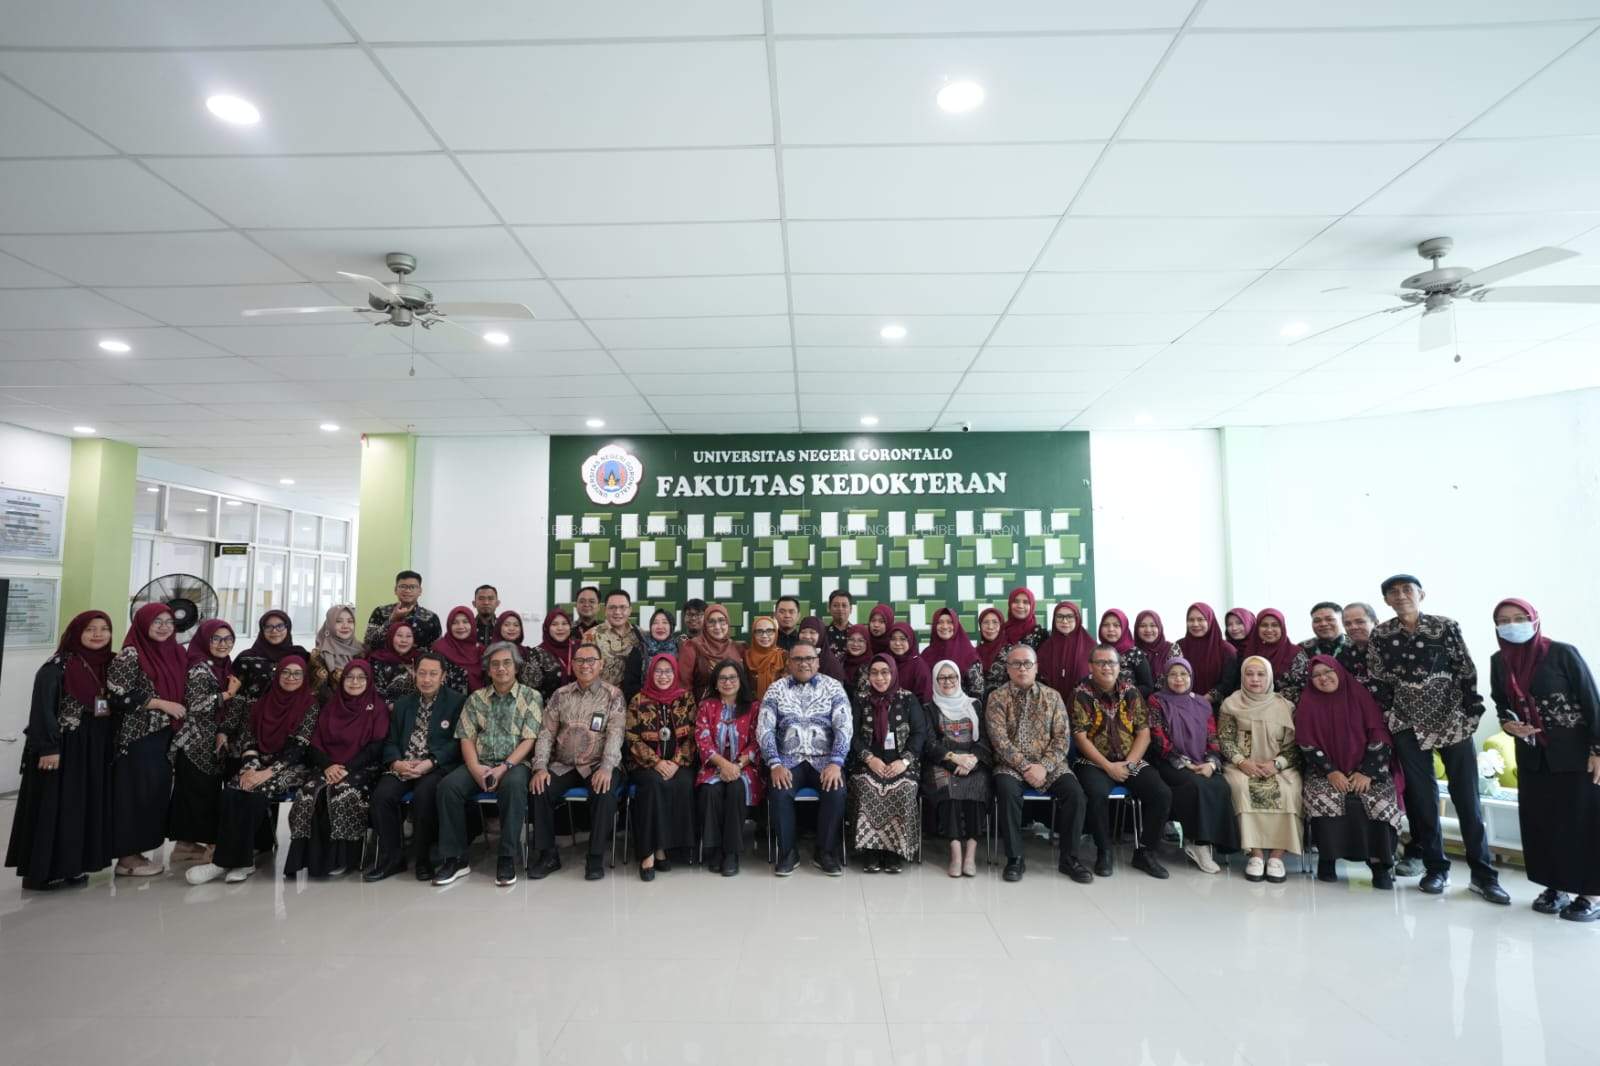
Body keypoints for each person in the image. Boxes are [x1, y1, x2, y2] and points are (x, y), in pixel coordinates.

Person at [1369, 574, 1509, 903]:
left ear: (1421, 594)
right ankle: (1436, 869)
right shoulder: (1381, 634)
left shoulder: (1445, 626)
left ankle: (1483, 875)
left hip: (1451, 721)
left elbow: (1465, 669)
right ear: (1386, 600)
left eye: (1407, 590)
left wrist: (1471, 714)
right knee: (1422, 800)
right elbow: (1378, 679)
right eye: (1393, 592)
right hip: (1407, 724)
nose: (1401, 596)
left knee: (1467, 800)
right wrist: (1390, 717)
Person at [1489, 598, 1600, 921]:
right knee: (1544, 824)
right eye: (1503, 621)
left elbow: (1592, 702)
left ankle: (1591, 894)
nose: (1512, 625)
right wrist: (1508, 724)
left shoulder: (1562, 653)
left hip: (1576, 756)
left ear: (1534, 619)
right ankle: (1556, 887)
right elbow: (1501, 704)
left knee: (1582, 824)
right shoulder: (1499, 661)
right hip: (1533, 757)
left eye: (1519, 618)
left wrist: (1597, 751)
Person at [6, 611, 116, 890]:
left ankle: (73, 866)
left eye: (104, 628)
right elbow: (42, 710)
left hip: (93, 750)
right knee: (54, 807)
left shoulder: (109, 665)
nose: (98, 634)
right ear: (76, 632)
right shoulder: (57, 666)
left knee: (81, 808)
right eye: (90, 629)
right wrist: (48, 748)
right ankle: (42, 872)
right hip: (63, 748)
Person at [187, 656, 320, 885]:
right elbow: (249, 739)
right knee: (232, 790)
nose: (291, 678)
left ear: (304, 677)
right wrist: (250, 768)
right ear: (278, 674)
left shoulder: (310, 705)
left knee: (253, 792)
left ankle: (236, 862)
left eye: (297, 673)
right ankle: (229, 860)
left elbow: (299, 748)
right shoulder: (262, 702)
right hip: (260, 763)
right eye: (286, 672)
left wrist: (266, 773)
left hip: (294, 767)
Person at [432, 643, 543, 888]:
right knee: (448, 787)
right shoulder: (476, 699)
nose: (501, 668)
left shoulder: (531, 697)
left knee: (513, 787)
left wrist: (504, 767)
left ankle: (507, 857)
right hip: (480, 762)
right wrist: (474, 768)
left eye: (507, 663)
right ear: (488, 669)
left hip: (515, 764)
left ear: (516, 667)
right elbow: (466, 737)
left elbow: (530, 739)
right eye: (495, 664)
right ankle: (455, 859)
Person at [1296, 655, 1402, 889]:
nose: (1323, 678)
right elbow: (1306, 743)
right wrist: (1331, 772)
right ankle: (1328, 859)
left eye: (1328, 672)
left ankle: (1380, 865)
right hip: (1324, 771)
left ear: (1339, 672)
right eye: (1316, 675)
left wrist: (1367, 772)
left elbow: (1379, 734)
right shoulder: (1308, 703)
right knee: (1324, 798)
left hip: (1368, 769)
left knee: (1379, 802)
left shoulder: (1359, 695)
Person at [987, 644, 1091, 884]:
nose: (1022, 669)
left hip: (1050, 765)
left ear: (1036, 667)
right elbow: (999, 741)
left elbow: (1062, 738)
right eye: (1016, 664)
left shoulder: (1052, 696)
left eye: (1027, 664)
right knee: (1005, 791)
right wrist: (1025, 766)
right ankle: (1015, 858)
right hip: (1010, 765)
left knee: (1075, 794)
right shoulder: (996, 698)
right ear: (1008, 669)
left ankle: (1070, 859)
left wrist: (1043, 766)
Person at [1070, 645, 1172, 879]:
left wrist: (1128, 764)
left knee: (1161, 793)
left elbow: (1144, 733)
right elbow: (1080, 738)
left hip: (1130, 760)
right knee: (1096, 793)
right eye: (1101, 663)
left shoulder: (1131, 692)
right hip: (1093, 762)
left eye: (1111, 663)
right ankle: (1104, 851)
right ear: (1090, 666)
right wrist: (1108, 767)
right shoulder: (1080, 694)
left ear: (1119, 667)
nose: (1106, 667)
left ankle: (1145, 852)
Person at [364, 652, 466, 883]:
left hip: (435, 765)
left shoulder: (457, 702)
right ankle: (392, 859)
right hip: (404, 764)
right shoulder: (402, 705)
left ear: (443, 676)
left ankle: (424, 859)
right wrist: (396, 762)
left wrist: (431, 762)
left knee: (424, 795)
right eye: (422, 673)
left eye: (433, 674)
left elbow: (458, 742)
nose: (426, 679)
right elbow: (390, 741)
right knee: (382, 797)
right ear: (414, 674)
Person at [528, 643, 626, 881]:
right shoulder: (560, 695)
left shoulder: (613, 695)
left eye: (591, 660)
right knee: (540, 788)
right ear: (572, 665)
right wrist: (540, 767)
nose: (585, 665)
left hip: (598, 764)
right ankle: (548, 855)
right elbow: (546, 733)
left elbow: (616, 733)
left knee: (604, 791)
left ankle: (595, 857)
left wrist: (607, 767)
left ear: (601, 664)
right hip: (564, 765)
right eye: (580, 661)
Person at [282, 660, 388, 878]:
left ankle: (341, 859)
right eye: (350, 677)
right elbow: (315, 743)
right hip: (328, 765)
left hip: (363, 767)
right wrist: (328, 765)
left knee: (341, 793)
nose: (355, 682)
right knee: (309, 794)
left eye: (361, 677)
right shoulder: (331, 706)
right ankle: (307, 859)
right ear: (342, 679)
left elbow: (376, 746)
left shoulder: (377, 707)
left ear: (369, 681)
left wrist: (347, 768)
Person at [106, 603, 189, 877]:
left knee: (154, 794)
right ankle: (127, 858)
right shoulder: (130, 654)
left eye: (169, 621)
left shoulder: (176, 652)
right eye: (157, 621)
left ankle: (138, 852)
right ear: (143, 623)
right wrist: (160, 703)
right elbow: (116, 696)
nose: (164, 627)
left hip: (166, 735)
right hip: (138, 737)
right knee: (134, 795)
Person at [759, 640, 852, 877]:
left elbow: (844, 727)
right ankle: (788, 852)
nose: (804, 664)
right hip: (788, 761)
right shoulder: (776, 689)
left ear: (818, 662)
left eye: (809, 658)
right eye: (798, 659)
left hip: (825, 761)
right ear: (789, 663)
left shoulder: (833, 687)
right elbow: (765, 729)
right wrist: (775, 764)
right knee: (779, 791)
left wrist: (836, 762)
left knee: (836, 791)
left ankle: (825, 852)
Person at [1147, 657, 1237, 874]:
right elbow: (1158, 739)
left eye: (1183, 674)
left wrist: (1211, 763)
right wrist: (1186, 763)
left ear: (1191, 676)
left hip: (1202, 761)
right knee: (1196, 785)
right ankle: (1198, 845)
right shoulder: (1157, 700)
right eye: (1173, 674)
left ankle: (1215, 844)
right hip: (1169, 761)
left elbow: (1212, 737)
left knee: (1221, 785)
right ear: (1165, 678)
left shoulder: (1202, 703)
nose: (1179, 679)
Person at [1219, 656, 1302, 883]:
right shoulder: (1231, 704)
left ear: (1270, 677)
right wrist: (1241, 762)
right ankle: (1255, 855)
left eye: (1261, 674)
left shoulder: (1285, 706)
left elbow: (1294, 746)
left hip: (1279, 767)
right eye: (1249, 674)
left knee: (1290, 790)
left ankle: (1276, 857)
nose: (1255, 679)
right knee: (1240, 788)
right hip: (1241, 765)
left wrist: (1277, 764)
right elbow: (1225, 739)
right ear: (1242, 676)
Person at [167, 619, 243, 866]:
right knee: (197, 794)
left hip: (210, 742)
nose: (223, 644)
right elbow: (195, 704)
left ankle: (186, 846)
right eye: (216, 639)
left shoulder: (222, 665)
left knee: (201, 793)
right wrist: (228, 694)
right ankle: (193, 846)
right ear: (204, 640)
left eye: (228, 639)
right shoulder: (199, 668)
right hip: (195, 742)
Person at [847, 654, 926, 874]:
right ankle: (870, 850)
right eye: (874, 673)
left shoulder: (908, 699)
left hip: (902, 763)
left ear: (893, 673)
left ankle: (894, 852)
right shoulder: (861, 699)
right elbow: (852, 734)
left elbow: (919, 733)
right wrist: (869, 758)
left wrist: (905, 761)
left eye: (885, 672)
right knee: (865, 787)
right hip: (868, 763)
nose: (879, 678)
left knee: (904, 788)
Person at [625, 653, 698, 881]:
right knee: (653, 785)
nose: (663, 676)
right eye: (658, 671)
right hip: (645, 765)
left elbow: (694, 734)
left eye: (668, 671)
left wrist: (676, 761)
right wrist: (656, 762)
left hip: (679, 763)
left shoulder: (686, 698)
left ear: (675, 673)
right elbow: (631, 737)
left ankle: (666, 848)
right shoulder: (638, 700)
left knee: (684, 783)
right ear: (650, 673)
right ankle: (648, 854)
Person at [922, 658, 990, 878]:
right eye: (942, 677)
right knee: (949, 790)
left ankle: (970, 854)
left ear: (959, 678)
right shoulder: (929, 708)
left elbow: (985, 739)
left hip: (973, 762)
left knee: (977, 786)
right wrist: (954, 760)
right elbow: (930, 744)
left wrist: (972, 761)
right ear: (935, 681)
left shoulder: (974, 705)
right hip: (942, 762)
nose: (947, 681)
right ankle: (956, 854)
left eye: (951, 676)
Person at [695, 660, 763, 876]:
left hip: (744, 767)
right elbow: (702, 740)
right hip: (713, 765)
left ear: (740, 680)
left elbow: (757, 741)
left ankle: (731, 852)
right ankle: (715, 848)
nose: (727, 682)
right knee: (710, 790)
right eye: (722, 678)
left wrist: (737, 765)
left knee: (735, 789)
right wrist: (724, 765)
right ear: (715, 683)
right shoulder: (706, 706)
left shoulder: (754, 707)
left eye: (732, 677)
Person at [233, 609, 310, 699]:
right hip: (253, 707)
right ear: (262, 630)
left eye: (280, 626)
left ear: (288, 628)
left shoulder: (299, 655)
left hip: (291, 707)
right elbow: (233, 689)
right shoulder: (246, 658)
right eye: (268, 627)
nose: (274, 631)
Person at [676, 603, 746, 701]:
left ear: (728, 623)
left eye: (722, 621)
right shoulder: (692, 647)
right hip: (702, 706)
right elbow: (684, 685)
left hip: (735, 706)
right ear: (705, 625)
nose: (717, 627)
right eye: (711, 622)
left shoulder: (737, 648)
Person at [1177, 602, 1239, 708]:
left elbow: (1227, 684)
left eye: (1201, 619)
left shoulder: (1227, 650)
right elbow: (1172, 676)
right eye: (1191, 620)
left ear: (1210, 621)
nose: (1195, 624)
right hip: (1182, 705)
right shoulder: (1178, 646)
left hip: (1216, 708)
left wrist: (1202, 701)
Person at [364, 570, 441, 651]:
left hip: (418, 659)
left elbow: (437, 650)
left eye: (412, 587)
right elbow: (368, 643)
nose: (407, 590)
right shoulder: (380, 612)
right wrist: (391, 620)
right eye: (403, 586)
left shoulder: (431, 617)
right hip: (384, 658)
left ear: (420, 591)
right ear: (395, 590)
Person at [587, 589, 643, 698]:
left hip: (633, 700)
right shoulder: (591, 636)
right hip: (603, 699)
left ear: (630, 610)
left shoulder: (640, 634)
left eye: (622, 607)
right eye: (612, 607)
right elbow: (586, 673)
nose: (617, 612)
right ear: (605, 610)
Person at [1037, 601, 1095, 705]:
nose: (1064, 621)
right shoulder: (1045, 648)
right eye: (1060, 616)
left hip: (1084, 706)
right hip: (1051, 706)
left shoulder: (1091, 647)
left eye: (1069, 616)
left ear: (1077, 618)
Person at [924, 607, 984, 697]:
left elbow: (977, 692)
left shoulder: (969, 654)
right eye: (940, 622)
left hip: (963, 705)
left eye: (950, 622)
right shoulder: (926, 654)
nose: (944, 626)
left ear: (956, 625)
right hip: (933, 705)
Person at [1098, 609, 1156, 698]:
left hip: (1129, 704)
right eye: (1106, 625)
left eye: (1116, 625)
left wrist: (1122, 695)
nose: (1111, 629)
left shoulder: (1135, 653)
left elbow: (1147, 687)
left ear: (1124, 628)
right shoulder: (1097, 653)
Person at [1244, 609, 1304, 694]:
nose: (1269, 630)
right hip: (1251, 699)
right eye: (1264, 625)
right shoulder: (1251, 651)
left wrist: (1271, 700)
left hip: (1284, 701)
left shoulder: (1296, 653)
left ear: (1282, 628)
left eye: (1275, 625)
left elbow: (1300, 687)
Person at [522, 609, 575, 702]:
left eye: (564, 623)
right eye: (554, 624)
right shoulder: (536, 654)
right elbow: (529, 692)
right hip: (548, 708)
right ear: (547, 627)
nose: (560, 628)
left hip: (582, 708)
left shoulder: (580, 648)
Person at [308, 604, 362, 695]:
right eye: (338, 621)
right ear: (330, 624)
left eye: (350, 621)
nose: (345, 626)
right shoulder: (318, 655)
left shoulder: (363, 651)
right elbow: (319, 692)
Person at [431, 606, 485, 695]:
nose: (460, 626)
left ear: (472, 624)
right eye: (455, 623)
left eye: (465, 622)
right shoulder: (439, 650)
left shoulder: (481, 651)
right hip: (447, 701)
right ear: (449, 625)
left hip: (479, 701)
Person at [368, 620, 421, 703]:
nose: (404, 640)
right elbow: (375, 694)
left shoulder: (420, 659)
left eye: (408, 636)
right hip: (389, 708)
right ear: (391, 637)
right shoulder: (378, 661)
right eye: (399, 635)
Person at [743, 615, 788, 702]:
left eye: (769, 631)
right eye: (759, 631)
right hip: (750, 707)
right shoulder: (745, 657)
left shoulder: (784, 656)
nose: (764, 635)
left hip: (779, 706)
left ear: (776, 633)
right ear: (753, 634)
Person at [885, 622, 933, 703]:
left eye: (902, 639)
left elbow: (924, 698)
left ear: (911, 641)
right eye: (893, 639)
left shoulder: (919, 666)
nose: (897, 643)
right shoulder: (885, 661)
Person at [1133, 611, 1181, 682]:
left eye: (1153, 625)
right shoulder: (1131, 651)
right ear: (1136, 629)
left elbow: (1177, 677)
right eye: (1143, 626)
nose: (1148, 630)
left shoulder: (1172, 649)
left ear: (1159, 627)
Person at [798, 616, 846, 684]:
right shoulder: (793, 656)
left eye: (812, 632)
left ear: (821, 635)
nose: (807, 636)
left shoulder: (830, 663)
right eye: (803, 632)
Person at [974, 607, 1008, 697]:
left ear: (1001, 625)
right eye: (986, 622)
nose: (990, 627)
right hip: (977, 703)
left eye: (995, 622)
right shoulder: (974, 653)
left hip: (1002, 703)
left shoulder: (1011, 652)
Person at [841, 624, 874, 697]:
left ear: (867, 643)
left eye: (860, 641)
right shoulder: (840, 661)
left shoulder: (873, 666)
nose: (855, 644)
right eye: (851, 639)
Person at [825, 588, 853, 657]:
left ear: (851, 609)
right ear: (829, 608)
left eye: (844, 605)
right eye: (835, 605)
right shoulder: (822, 633)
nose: (840, 609)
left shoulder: (857, 633)